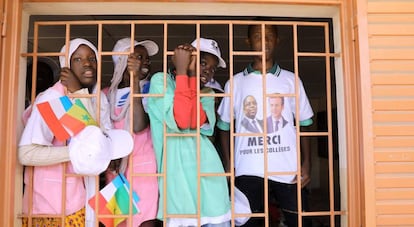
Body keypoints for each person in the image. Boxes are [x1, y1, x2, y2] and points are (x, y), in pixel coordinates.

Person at [216, 24, 314, 227]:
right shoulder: (235, 83)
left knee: (299, 221)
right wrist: (229, 164)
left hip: (288, 170)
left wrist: (306, 163)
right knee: (247, 223)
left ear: (277, 41)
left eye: (270, 36)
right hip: (247, 169)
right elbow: (224, 128)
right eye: (258, 36)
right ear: (248, 42)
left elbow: (305, 124)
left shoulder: (291, 80)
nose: (265, 41)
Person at [18, 38, 113, 226]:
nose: (87, 63)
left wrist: (79, 93)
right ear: (65, 66)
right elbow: (26, 153)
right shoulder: (54, 98)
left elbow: (98, 141)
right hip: (50, 206)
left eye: (92, 58)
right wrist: (76, 153)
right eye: (77, 59)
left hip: (81, 200)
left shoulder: (97, 97)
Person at [147, 38, 231, 227]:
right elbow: (181, 119)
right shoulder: (160, 81)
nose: (208, 71)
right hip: (178, 188)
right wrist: (185, 72)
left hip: (210, 184)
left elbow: (189, 119)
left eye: (213, 68)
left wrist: (189, 75)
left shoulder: (208, 94)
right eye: (202, 63)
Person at [105, 37, 160, 227]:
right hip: (116, 172)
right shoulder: (105, 94)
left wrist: (135, 79)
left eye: (146, 59)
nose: (146, 62)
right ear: (122, 61)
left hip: (144, 171)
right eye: (139, 57)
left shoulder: (152, 89)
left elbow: (139, 125)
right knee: (120, 223)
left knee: (145, 221)